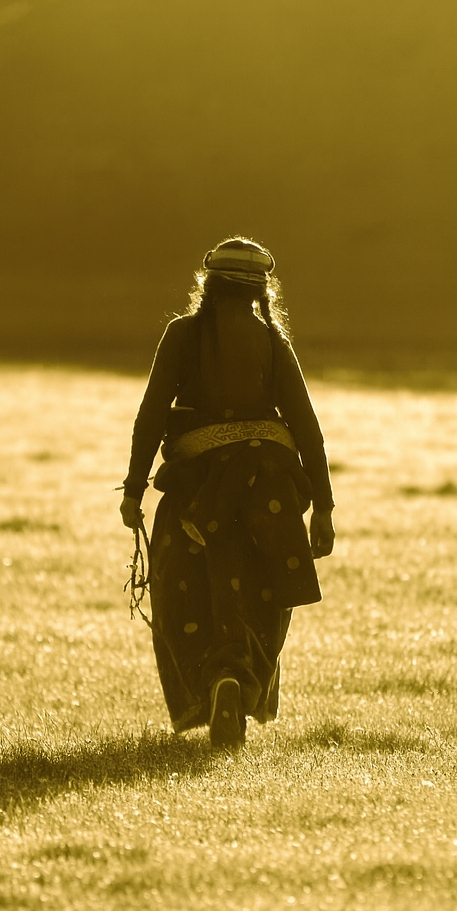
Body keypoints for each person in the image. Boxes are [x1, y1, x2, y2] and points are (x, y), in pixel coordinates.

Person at [120, 236, 334, 749]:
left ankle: (217, 682)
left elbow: (150, 417)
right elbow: (307, 428)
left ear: (208, 284)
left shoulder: (181, 335)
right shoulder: (273, 343)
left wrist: (133, 488)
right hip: (271, 492)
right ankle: (240, 681)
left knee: (185, 590)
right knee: (263, 593)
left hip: (197, 491)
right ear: (261, 289)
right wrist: (323, 507)